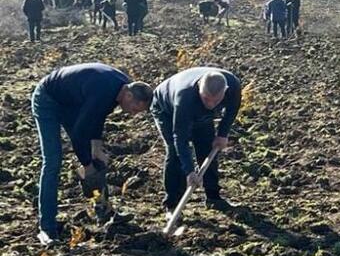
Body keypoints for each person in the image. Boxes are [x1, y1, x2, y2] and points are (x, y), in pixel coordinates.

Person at [32, 63, 152, 244]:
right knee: (53, 161)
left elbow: (98, 116)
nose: (134, 114)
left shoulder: (121, 88)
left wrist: (96, 148)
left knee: (97, 160)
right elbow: (79, 135)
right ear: (128, 95)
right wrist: (87, 166)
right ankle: (47, 228)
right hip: (48, 99)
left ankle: (103, 210)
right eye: (135, 109)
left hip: (71, 101)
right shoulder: (103, 91)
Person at [151, 68, 241, 215]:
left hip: (199, 112)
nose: (211, 104)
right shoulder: (184, 97)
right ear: (199, 87)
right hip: (166, 110)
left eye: (216, 100)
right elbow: (180, 139)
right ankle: (172, 203)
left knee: (207, 147)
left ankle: (214, 197)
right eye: (206, 99)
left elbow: (232, 109)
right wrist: (190, 171)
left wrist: (222, 134)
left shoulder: (233, 85)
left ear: (225, 91)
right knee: (175, 153)